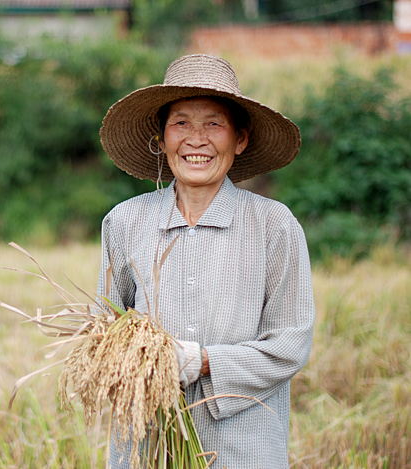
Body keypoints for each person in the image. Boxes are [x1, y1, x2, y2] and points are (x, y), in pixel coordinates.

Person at [96, 54, 315, 468]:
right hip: (147, 448)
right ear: (161, 140)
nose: (196, 139)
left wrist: (202, 360)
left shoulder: (273, 225)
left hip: (244, 449)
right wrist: (135, 357)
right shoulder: (124, 222)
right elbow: (105, 330)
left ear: (240, 138)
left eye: (213, 123)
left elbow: (290, 345)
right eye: (181, 123)